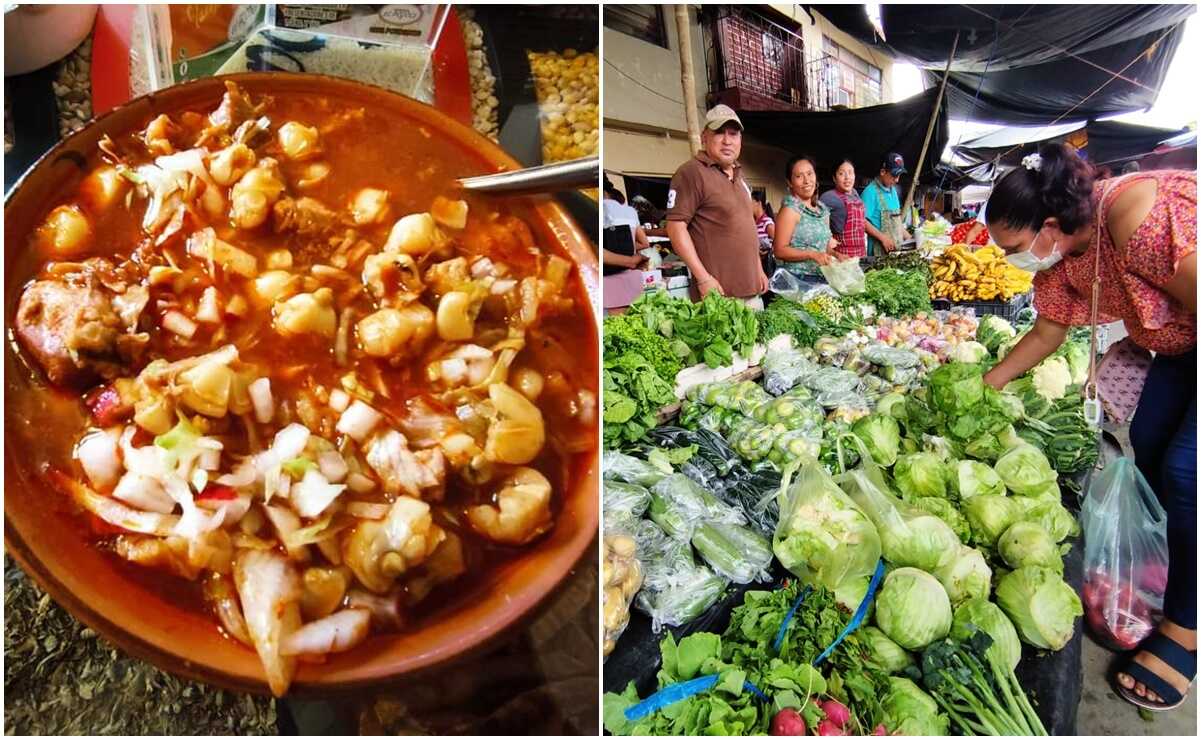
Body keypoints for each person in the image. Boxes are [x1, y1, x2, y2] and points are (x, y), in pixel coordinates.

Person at [982, 143, 1197, 712]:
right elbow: (1047, 333)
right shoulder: (1062, 255)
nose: (1011, 260)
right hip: (1182, 345)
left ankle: (1186, 628)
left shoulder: (1131, 216)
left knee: (1186, 471)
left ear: (1049, 225)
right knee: (1149, 445)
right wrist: (986, 385)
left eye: (1013, 248)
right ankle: (1178, 570)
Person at [665, 104, 769, 306]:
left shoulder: (739, 176)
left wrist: (758, 269)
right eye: (719, 133)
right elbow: (675, 228)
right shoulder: (691, 173)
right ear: (705, 137)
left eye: (733, 134)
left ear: (740, 140)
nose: (727, 141)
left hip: (752, 290)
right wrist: (703, 278)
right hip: (718, 296)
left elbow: (747, 228)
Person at [771, 154, 844, 279]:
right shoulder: (790, 210)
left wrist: (836, 255)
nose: (806, 180)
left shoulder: (822, 210)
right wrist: (812, 255)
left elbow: (824, 248)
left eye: (810, 174)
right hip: (797, 280)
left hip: (822, 278)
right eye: (799, 176)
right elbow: (779, 250)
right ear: (790, 182)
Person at [602, 178, 649, 314]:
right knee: (635, 321)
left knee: (614, 324)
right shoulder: (630, 211)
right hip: (631, 277)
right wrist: (629, 252)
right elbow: (644, 243)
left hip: (608, 280)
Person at [861, 152, 912, 254]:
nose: (897, 180)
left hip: (896, 251)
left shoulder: (893, 191)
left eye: (899, 176)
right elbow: (862, 222)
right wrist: (883, 238)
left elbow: (896, 222)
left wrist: (911, 239)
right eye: (894, 175)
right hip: (878, 253)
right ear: (883, 172)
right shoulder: (870, 192)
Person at [820, 157, 868, 259]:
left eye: (850, 173)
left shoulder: (855, 193)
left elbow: (862, 222)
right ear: (834, 178)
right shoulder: (828, 197)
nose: (847, 177)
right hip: (841, 255)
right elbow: (819, 226)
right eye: (841, 174)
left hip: (861, 253)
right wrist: (828, 240)